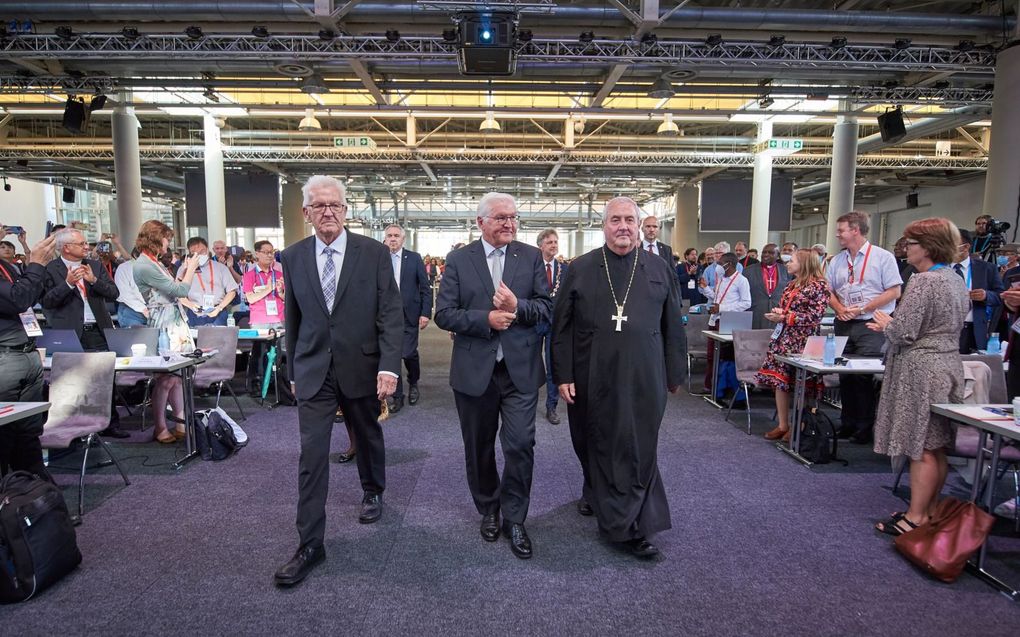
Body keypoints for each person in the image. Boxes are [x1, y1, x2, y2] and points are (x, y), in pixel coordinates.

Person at [274, 175, 402, 587]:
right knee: (311, 457)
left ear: (346, 210)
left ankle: (373, 489)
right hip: (313, 370)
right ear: (305, 212)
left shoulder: (374, 253)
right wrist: (293, 369)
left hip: (362, 366)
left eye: (336, 205)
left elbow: (390, 313)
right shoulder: (292, 256)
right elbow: (293, 319)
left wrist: (389, 365)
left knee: (366, 434)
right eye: (319, 205)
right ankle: (310, 543)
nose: (328, 212)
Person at [552, 196, 686, 558]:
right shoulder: (580, 268)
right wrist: (562, 373)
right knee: (592, 440)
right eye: (615, 220)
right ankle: (596, 491)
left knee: (636, 448)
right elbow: (560, 327)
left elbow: (673, 323)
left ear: (639, 225)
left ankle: (628, 527)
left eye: (629, 219)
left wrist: (675, 371)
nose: (623, 226)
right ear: (604, 225)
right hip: (592, 374)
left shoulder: (659, 268)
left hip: (645, 376)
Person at [434, 192, 551, 561]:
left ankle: (515, 517)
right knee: (478, 446)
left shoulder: (530, 257)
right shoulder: (458, 260)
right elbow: (445, 314)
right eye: (500, 217)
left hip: (520, 371)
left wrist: (518, 307)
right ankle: (489, 507)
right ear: (480, 222)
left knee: (519, 445)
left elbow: (547, 308)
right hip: (474, 373)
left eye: (513, 217)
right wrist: (484, 319)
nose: (509, 224)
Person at [868, 218, 969, 535]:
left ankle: (915, 516)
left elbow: (905, 331)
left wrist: (886, 323)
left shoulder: (924, 281)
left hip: (921, 370)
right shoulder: (953, 279)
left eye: (910, 243)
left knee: (919, 446)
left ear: (926, 246)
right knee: (934, 445)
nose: (905, 249)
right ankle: (930, 509)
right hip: (946, 366)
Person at [41, 228, 127, 438]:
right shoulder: (50, 269)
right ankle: (75, 426)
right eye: (81, 244)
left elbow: (114, 293)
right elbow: (47, 301)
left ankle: (109, 422)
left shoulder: (95, 266)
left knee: (105, 377)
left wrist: (93, 281)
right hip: (70, 332)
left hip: (98, 330)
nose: (86, 247)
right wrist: (69, 283)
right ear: (66, 247)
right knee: (73, 380)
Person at [826, 211, 902, 444]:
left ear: (855, 230)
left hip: (871, 323)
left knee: (863, 375)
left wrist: (862, 309)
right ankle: (847, 422)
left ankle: (865, 426)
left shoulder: (882, 257)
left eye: (841, 230)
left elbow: (894, 291)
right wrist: (839, 308)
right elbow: (828, 290)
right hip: (844, 322)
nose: (838, 235)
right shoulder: (838, 260)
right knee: (845, 374)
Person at [133, 220, 201, 444]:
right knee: (165, 379)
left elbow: (174, 292)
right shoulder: (144, 265)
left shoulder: (155, 263)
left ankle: (180, 423)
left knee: (179, 377)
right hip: (163, 324)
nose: (168, 243)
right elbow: (179, 290)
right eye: (166, 238)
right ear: (155, 238)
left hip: (173, 321)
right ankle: (160, 426)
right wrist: (190, 268)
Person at [756, 249, 830, 441]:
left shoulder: (819, 286)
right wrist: (780, 313)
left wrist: (785, 316)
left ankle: (800, 424)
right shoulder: (791, 285)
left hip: (803, 341)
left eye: (792, 261)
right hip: (784, 338)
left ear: (804, 263)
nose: (787, 264)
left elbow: (815, 317)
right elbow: (790, 309)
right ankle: (783, 424)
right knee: (780, 382)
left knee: (801, 384)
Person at [0, 233, 57, 481]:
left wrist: (36, 268)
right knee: (5, 434)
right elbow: (18, 300)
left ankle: (37, 502)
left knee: (28, 435)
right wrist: (36, 265)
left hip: (27, 353)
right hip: (6, 359)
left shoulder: (7, 266)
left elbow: (32, 296)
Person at [382, 224, 432, 413]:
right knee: (391, 355)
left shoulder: (414, 258)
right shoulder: (380, 258)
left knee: (408, 353)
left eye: (396, 236)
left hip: (409, 314)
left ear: (403, 239)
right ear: (385, 238)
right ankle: (397, 395)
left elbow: (425, 288)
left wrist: (426, 313)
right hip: (385, 315)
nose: (393, 239)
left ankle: (413, 381)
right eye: (389, 236)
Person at [703, 252, 752, 401]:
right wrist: (706, 289)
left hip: (729, 322)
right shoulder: (721, 279)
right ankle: (712, 387)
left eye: (720, 263)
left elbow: (746, 303)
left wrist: (722, 308)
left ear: (728, 264)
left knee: (725, 357)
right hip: (715, 320)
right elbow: (716, 297)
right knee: (712, 356)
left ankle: (723, 390)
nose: (717, 266)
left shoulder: (741, 281)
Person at [954, 229, 1003, 354]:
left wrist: (986, 295)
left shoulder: (987, 268)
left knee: (973, 370)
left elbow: (1000, 296)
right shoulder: (939, 269)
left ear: (965, 247)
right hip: (946, 330)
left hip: (973, 329)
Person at [535, 228, 566, 424]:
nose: (554, 245)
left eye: (555, 242)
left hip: (556, 323)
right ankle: (526, 403)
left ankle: (551, 406)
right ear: (540, 246)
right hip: (535, 322)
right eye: (549, 242)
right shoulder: (531, 266)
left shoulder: (565, 269)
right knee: (530, 363)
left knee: (553, 366)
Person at [179, 237, 236, 327]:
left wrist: (219, 308)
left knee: (220, 339)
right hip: (195, 312)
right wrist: (191, 306)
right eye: (194, 253)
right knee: (196, 340)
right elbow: (178, 293)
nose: (198, 255)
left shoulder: (220, 268)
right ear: (189, 253)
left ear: (207, 250)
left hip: (218, 311)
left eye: (202, 251)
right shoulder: (184, 269)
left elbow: (232, 291)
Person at [743, 243, 790, 329]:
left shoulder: (786, 271)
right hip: (756, 313)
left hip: (777, 314)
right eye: (764, 252)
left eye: (771, 253)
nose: (766, 255)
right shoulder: (748, 271)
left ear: (778, 255)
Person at [243, 240, 285, 330]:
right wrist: (268, 289)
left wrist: (281, 293)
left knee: (282, 344)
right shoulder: (249, 275)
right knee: (261, 344)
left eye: (271, 252)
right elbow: (250, 299)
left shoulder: (279, 274)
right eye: (266, 252)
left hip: (279, 318)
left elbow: (287, 298)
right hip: (259, 320)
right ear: (257, 254)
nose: (269, 255)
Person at [114, 250, 148, 327]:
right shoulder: (123, 268)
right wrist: (143, 309)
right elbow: (124, 294)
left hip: (151, 309)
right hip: (130, 310)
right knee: (136, 338)